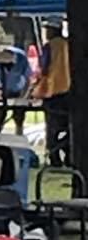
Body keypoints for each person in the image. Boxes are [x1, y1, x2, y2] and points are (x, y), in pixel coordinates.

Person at [34, 23, 71, 166]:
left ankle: (54, 156)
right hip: (69, 92)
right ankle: (69, 154)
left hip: (52, 91)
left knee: (52, 128)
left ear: (53, 30)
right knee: (69, 126)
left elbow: (44, 68)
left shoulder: (50, 46)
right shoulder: (69, 44)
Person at [0, 45, 31, 135]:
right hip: (1, 93)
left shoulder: (22, 58)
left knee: (19, 115)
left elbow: (28, 79)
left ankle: (19, 135)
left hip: (18, 92)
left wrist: (24, 96)